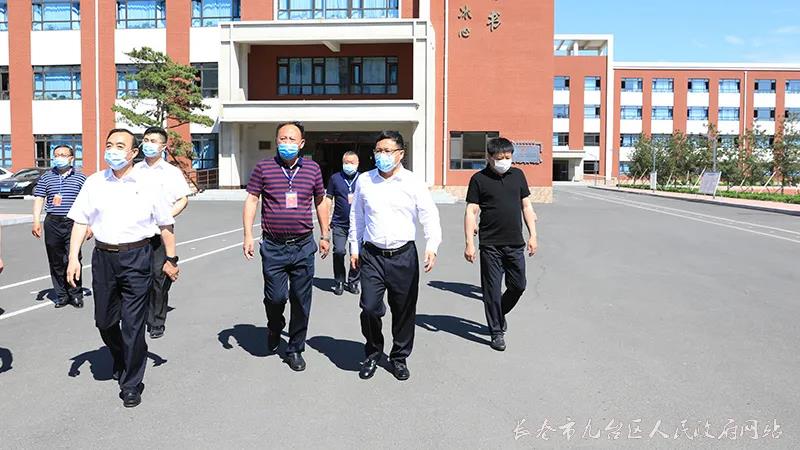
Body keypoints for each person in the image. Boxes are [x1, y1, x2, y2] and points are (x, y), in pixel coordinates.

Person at [66, 128, 179, 408]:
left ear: (133, 153)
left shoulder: (149, 184)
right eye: (109, 145)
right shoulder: (94, 182)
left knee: (133, 325)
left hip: (137, 257)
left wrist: (171, 259)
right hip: (104, 258)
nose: (112, 150)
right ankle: (122, 357)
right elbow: (81, 221)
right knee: (104, 322)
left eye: (120, 146)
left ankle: (131, 383)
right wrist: (73, 258)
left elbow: (166, 224)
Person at [349, 131, 441, 381]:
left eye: (387, 151)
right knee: (369, 307)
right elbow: (357, 216)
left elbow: (429, 214)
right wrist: (354, 248)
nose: (382, 155)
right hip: (372, 255)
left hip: (403, 256)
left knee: (403, 310)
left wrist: (432, 245)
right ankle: (373, 352)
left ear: (401, 154)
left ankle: (399, 357)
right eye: (378, 151)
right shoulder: (365, 181)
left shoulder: (413, 182)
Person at [242, 121, 330, 372]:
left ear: (301, 143)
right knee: (276, 297)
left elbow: (320, 201)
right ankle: (274, 325)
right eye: (283, 139)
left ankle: (295, 348)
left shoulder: (312, 169)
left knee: (301, 300)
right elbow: (252, 200)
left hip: (303, 246)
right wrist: (248, 235)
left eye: (292, 139)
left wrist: (325, 234)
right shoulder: (264, 168)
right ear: (276, 141)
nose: (287, 143)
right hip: (273, 247)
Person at [464, 137, 538, 352]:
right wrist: (469, 243)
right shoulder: (479, 179)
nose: (504, 161)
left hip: (515, 243)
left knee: (518, 285)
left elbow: (526, 205)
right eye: (500, 158)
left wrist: (533, 235)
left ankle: (499, 312)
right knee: (492, 291)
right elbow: (471, 211)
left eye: (508, 157)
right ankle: (496, 332)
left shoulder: (518, 175)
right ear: (489, 157)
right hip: (490, 245)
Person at [133, 126, 191, 339]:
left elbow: (183, 199)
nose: (148, 144)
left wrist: (165, 217)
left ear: (163, 146)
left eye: (153, 141)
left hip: (161, 232)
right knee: (138, 277)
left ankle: (157, 321)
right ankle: (138, 315)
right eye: (146, 140)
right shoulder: (134, 170)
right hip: (137, 232)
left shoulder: (171, 172)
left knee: (159, 278)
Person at [31, 145, 88, 308]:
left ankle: (75, 294)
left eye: (63, 155)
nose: (59, 158)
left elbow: (88, 203)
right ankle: (61, 295)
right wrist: (36, 220)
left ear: (71, 158)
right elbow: (39, 198)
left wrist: (89, 224)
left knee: (73, 257)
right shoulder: (46, 177)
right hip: (53, 222)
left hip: (73, 223)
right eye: (56, 155)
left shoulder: (81, 178)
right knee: (56, 260)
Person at [326, 151, 361, 296]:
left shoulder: (363, 179)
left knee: (357, 253)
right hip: (339, 223)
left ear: (358, 164)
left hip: (358, 224)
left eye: (352, 162)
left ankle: (353, 281)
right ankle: (339, 280)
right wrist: (326, 218)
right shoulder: (335, 178)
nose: (349, 165)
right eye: (346, 162)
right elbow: (329, 198)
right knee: (339, 251)